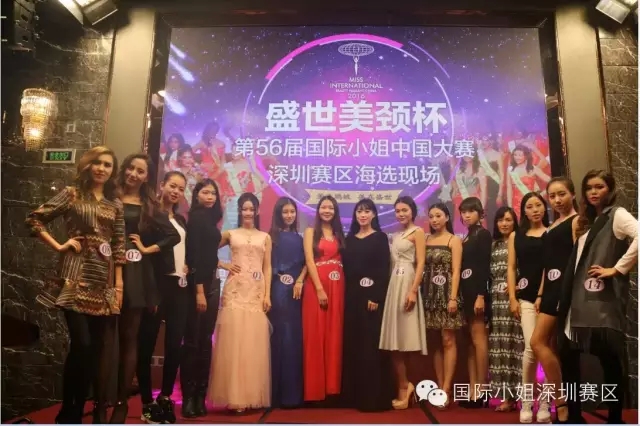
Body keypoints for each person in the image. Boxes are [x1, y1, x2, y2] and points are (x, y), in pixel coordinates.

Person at [25, 146, 125, 424]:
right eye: (97, 163)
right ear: (88, 165)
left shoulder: (115, 205)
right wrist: (59, 245)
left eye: (107, 165)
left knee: (92, 350)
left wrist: (118, 287)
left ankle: (75, 411)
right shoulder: (72, 194)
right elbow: (35, 218)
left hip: (103, 281)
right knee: (82, 344)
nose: (101, 168)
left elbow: (119, 246)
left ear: (112, 171)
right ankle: (69, 411)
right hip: (74, 275)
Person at [558, 170, 637, 424]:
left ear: (610, 189)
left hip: (601, 303)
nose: (593, 192)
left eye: (599, 187)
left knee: (609, 359)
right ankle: (574, 414)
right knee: (568, 357)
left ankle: (615, 417)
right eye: (589, 188)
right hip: (578, 300)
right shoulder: (588, 220)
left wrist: (617, 268)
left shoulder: (617, 215)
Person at [110, 153, 180, 423]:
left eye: (140, 171)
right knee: (104, 338)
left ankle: (121, 403)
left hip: (137, 273)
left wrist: (148, 248)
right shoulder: (109, 196)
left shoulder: (149, 206)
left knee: (130, 338)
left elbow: (172, 235)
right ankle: (101, 399)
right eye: (131, 168)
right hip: (104, 267)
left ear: (147, 177)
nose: (134, 174)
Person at [208, 192, 272, 413]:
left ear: (257, 211)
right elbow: (207, 250)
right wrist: (223, 264)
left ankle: (250, 396)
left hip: (255, 292)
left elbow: (267, 267)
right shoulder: (230, 234)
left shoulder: (264, 237)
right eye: (244, 209)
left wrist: (267, 294)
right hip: (235, 291)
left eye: (251, 209)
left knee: (252, 344)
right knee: (233, 344)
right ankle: (234, 397)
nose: (248, 212)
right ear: (239, 211)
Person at [136, 171, 189, 424]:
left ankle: (166, 396)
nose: (176, 191)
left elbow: (182, 249)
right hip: (157, 285)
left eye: (181, 188)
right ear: (162, 185)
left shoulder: (180, 219)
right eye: (172, 186)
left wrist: (187, 265)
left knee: (174, 344)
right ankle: (147, 402)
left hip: (180, 286)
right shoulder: (149, 215)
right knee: (146, 344)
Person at [529, 177, 578, 423]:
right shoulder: (553, 224)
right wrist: (540, 293)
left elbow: (579, 259)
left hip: (565, 289)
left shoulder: (577, 221)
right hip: (549, 290)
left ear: (572, 194)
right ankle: (562, 405)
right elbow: (548, 265)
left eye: (562, 194)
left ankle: (561, 401)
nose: (557, 200)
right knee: (550, 346)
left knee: (537, 341)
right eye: (552, 196)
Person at [342, 199, 394, 412]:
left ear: (373, 214)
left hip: (371, 299)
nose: (363, 215)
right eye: (359, 211)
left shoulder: (380, 238)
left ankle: (374, 398)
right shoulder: (349, 240)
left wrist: (376, 296)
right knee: (353, 345)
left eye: (367, 211)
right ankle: (353, 397)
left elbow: (383, 269)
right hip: (352, 298)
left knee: (370, 347)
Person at [180, 179, 224, 418]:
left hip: (213, 284)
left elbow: (209, 254)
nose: (210, 196)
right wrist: (198, 291)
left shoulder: (212, 219)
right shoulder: (196, 219)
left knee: (206, 342)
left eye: (213, 193)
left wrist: (221, 265)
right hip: (198, 287)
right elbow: (194, 256)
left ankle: (200, 396)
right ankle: (188, 397)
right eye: (205, 192)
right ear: (196, 195)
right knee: (193, 342)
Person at [379, 196, 428, 409]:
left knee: (407, 339)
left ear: (412, 211)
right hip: (394, 284)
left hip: (408, 282)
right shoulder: (396, 235)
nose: (401, 214)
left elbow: (421, 263)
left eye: (404, 210)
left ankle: (406, 387)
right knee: (394, 341)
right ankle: (404, 385)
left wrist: (413, 290)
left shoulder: (418, 232)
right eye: (398, 211)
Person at [507, 192, 550, 423]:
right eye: (530, 206)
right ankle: (526, 402)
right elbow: (511, 267)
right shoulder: (516, 235)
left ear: (544, 208)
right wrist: (512, 298)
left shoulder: (551, 233)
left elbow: (549, 266)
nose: (535, 210)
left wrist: (542, 294)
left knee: (547, 350)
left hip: (549, 297)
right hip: (524, 298)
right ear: (523, 210)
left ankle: (545, 403)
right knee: (531, 348)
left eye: (538, 205)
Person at [302, 195, 346, 404]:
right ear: (318, 210)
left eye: (331, 208)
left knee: (334, 333)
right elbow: (309, 260)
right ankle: (315, 390)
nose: (327, 211)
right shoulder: (311, 232)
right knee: (316, 334)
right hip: (316, 286)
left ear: (335, 211)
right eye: (323, 207)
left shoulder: (338, 234)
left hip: (338, 286)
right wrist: (319, 288)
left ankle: (332, 389)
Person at [422, 203, 463, 409]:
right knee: (435, 343)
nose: (434, 220)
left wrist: (453, 298)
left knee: (448, 340)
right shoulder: (426, 239)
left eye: (438, 215)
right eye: (431, 216)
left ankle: (447, 389)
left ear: (447, 217)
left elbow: (456, 271)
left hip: (447, 295)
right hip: (429, 295)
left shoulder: (453, 240)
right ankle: (439, 386)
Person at [268, 197, 306, 408]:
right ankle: (275, 394)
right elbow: (268, 267)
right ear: (278, 214)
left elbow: (307, 263)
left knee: (294, 339)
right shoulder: (271, 237)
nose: (289, 215)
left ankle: (293, 395)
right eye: (285, 212)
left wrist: (299, 280)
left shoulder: (300, 239)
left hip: (297, 294)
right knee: (278, 337)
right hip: (277, 291)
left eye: (292, 212)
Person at [488, 207, 524, 412]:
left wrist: (517, 288)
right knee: (500, 348)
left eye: (508, 219)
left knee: (516, 347)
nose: (504, 223)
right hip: (495, 301)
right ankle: (507, 397)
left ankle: (523, 396)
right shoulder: (493, 245)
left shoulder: (519, 240)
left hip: (515, 299)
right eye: (500, 220)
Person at [458, 197, 492, 408]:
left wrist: (481, 295)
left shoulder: (483, 234)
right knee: (470, 342)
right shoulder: (467, 236)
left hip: (477, 294)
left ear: (479, 213)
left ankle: (482, 390)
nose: (467, 215)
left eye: (471, 211)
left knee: (479, 341)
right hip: (466, 293)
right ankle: (473, 390)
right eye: (464, 212)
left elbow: (484, 266)